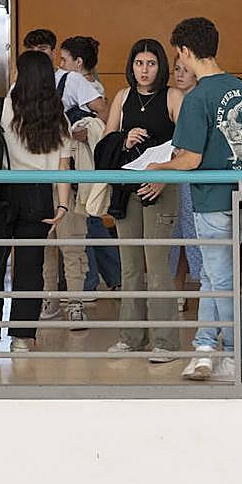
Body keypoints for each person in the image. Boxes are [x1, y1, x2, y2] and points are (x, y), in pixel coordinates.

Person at [148, 17, 242, 381]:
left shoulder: (197, 98)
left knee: (219, 279)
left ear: (186, 51)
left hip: (211, 199)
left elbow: (190, 159)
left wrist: (157, 168)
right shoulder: (240, 88)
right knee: (216, 277)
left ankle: (234, 351)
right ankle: (207, 345)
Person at [0, 50, 72, 353]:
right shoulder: (59, 118)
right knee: (30, 269)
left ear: (19, 74)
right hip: (38, 194)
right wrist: (61, 205)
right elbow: (62, 168)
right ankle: (23, 338)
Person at [21, 29, 110, 322]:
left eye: (45, 49)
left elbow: (104, 111)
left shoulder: (69, 80)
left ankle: (76, 303)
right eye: (33, 49)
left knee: (72, 242)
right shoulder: (20, 87)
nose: (41, 55)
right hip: (35, 174)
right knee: (45, 245)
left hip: (67, 172)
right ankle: (50, 300)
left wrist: (87, 131)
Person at [105, 39, 185, 361]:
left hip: (160, 189)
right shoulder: (123, 97)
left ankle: (165, 342)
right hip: (127, 189)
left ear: (160, 66)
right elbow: (107, 140)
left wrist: (165, 176)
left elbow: (187, 145)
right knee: (131, 267)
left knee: (158, 266)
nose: (145, 70)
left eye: (151, 63)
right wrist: (124, 138)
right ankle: (130, 337)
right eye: (139, 63)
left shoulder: (173, 96)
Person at [60, 35, 121, 308]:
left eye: (64, 60)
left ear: (78, 62)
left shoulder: (82, 85)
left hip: (82, 163)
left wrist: (89, 131)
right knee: (90, 220)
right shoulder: (86, 84)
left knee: (86, 221)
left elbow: (105, 115)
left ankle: (90, 282)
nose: (60, 65)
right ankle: (110, 278)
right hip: (83, 163)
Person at [168, 58, 204, 306]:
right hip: (171, 176)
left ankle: (207, 293)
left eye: (186, 70)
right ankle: (176, 292)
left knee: (197, 235)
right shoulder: (169, 98)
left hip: (194, 177)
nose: (180, 75)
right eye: (176, 70)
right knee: (175, 237)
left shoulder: (200, 100)